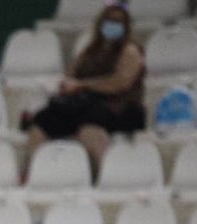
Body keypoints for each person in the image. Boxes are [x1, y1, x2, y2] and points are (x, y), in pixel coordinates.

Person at [24, 1, 145, 179]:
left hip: (118, 106)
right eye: (109, 21)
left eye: (118, 22)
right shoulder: (90, 51)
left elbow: (119, 83)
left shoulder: (130, 51)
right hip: (84, 104)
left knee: (90, 127)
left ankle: (106, 175)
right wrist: (65, 85)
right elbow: (71, 75)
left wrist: (84, 85)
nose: (112, 26)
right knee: (42, 119)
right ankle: (33, 172)